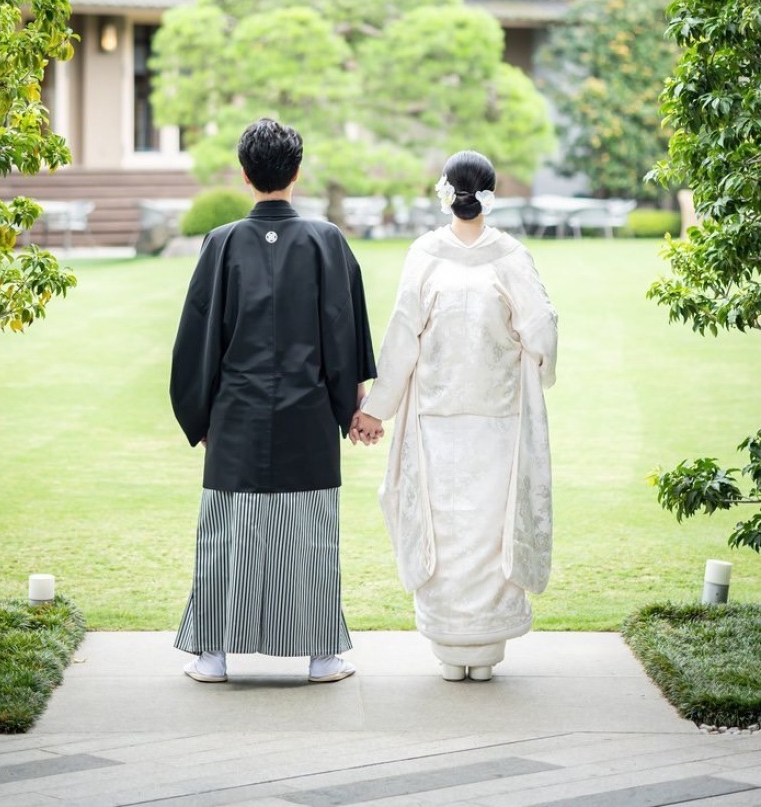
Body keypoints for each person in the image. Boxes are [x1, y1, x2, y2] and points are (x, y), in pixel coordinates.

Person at [171, 118, 382, 684]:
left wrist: (199, 416)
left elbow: (199, 337)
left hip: (234, 416)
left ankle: (211, 656)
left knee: (224, 537)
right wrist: (351, 409)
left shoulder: (221, 243)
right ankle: (322, 657)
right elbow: (343, 334)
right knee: (310, 537)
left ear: (245, 174)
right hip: (307, 415)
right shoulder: (326, 240)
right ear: (297, 171)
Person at [360, 150, 558, 682]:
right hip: (497, 417)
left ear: (446, 191)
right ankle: (482, 647)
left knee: (446, 527)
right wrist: (535, 360)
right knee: (488, 527)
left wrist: (376, 410)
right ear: (489, 193)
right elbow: (541, 328)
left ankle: (453, 648)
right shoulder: (510, 256)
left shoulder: (425, 255)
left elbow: (402, 338)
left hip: (438, 417)